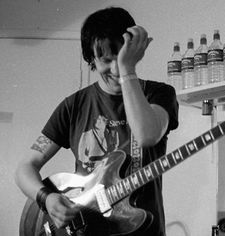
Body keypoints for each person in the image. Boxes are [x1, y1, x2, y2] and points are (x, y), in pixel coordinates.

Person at [15, 6, 179, 236]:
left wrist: (127, 70)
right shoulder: (73, 106)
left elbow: (147, 135)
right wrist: (47, 198)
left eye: (121, 58)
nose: (115, 69)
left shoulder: (159, 94)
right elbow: (25, 168)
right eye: (106, 60)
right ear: (91, 58)